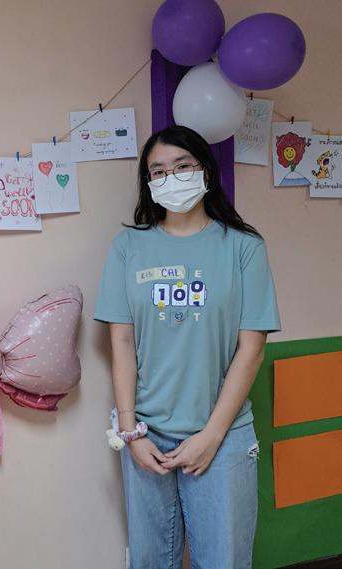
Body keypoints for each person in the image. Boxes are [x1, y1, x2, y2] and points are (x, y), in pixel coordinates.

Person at [95, 125, 281, 569]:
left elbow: (251, 349)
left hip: (223, 432)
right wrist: (130, 432)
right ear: (148, 182)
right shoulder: (128, 246)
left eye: (182, 166)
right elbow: (121, 342)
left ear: (206, 172)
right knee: (149, 559)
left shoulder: (244, 247)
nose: (170, 178)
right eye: (158, 171)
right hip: (146, 432)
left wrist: (211, 436)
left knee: (223, 560)